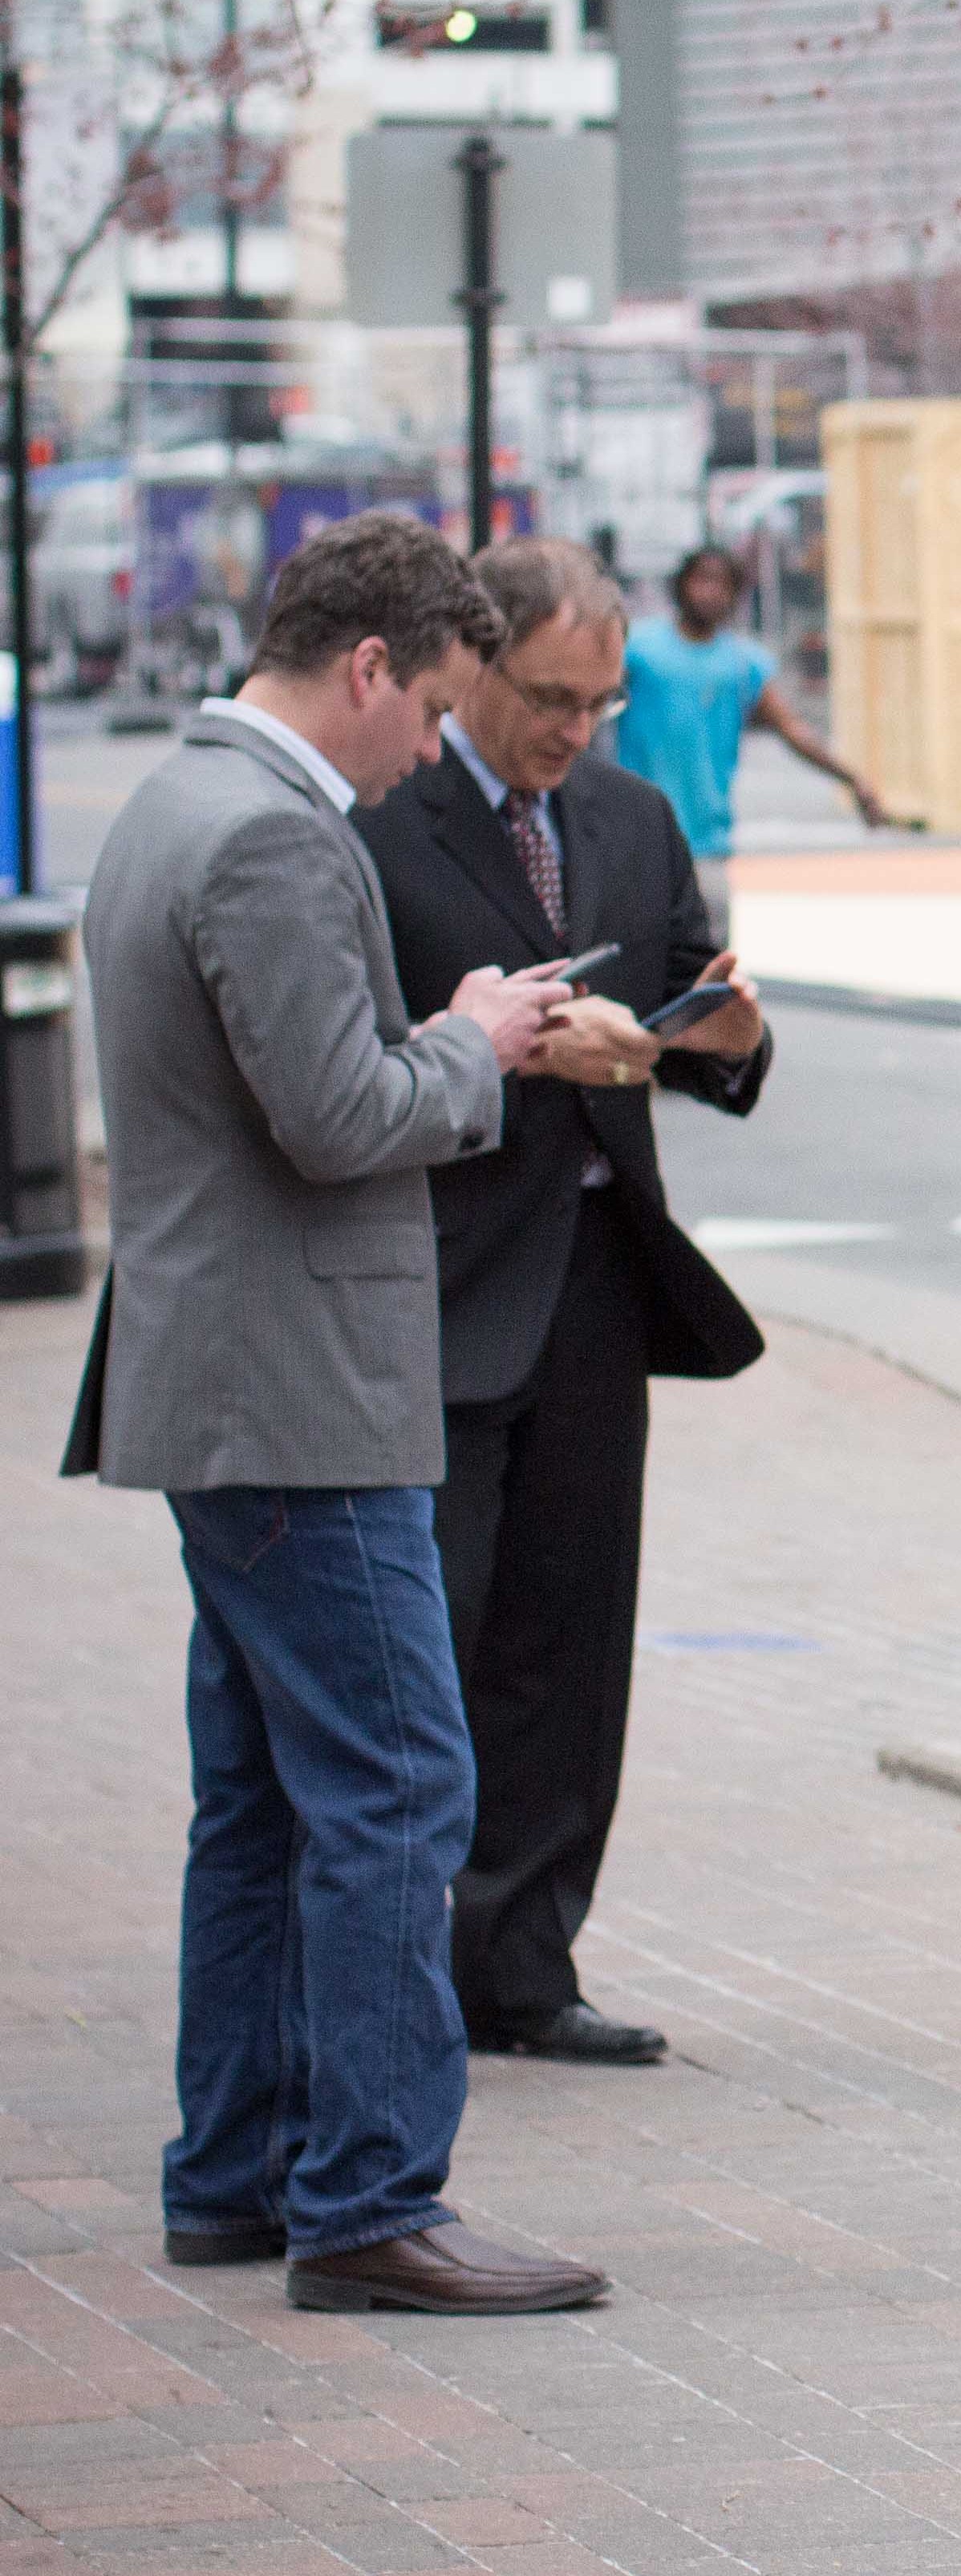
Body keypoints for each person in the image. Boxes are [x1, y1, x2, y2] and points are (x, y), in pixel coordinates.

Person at [63, 508, 610, 2314]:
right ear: (369, 668)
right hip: (302, 1396)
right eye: (432, 710)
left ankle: (234, 2173)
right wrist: (478, 1041)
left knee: (266, 1802)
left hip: (225, 1384)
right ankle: (370, 2197)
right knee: (394, 1788)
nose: (426, 757)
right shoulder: (275, 840)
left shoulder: (173, 802)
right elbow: (345, 1117)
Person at [357, 535, 773, 2068]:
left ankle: (523, 1969)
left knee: (570, 1639)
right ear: (472, 666)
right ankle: (405, 1974)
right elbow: (348, 1055)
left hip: (599, 1284)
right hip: (443, 1283)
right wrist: (512, 1048)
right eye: (548, 697)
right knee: (432, 1654)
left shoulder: (628, 813)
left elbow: (697, 1014)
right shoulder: (380, 818)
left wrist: (718, 1032)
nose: (572, 732)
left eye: (598, 703)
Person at [614, 541, 883, 935]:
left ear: (736, 595)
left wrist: (853, 779)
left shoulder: (743, 664)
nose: (710, 592)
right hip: (637, 841)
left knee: (708, 973)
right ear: (682, 586)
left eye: (722, 583)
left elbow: (792, 728)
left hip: (706, 845)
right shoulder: (639, 650)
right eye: (701, 580)